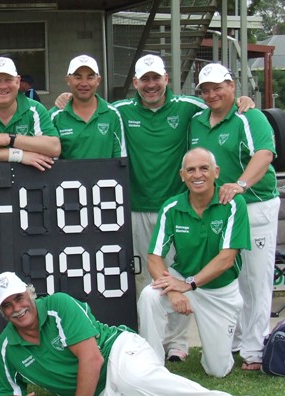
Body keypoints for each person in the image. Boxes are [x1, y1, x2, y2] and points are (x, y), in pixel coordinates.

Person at [54, 54, 254, 362]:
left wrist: (241, 100)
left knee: (178, 272)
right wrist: (64, 100)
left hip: (175, 207)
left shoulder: (190, 106)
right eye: (144, 80)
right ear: (135, 83)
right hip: (133, 207)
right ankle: (149, 342)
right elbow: (88, 104)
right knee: (142, 279)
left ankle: (177, 343)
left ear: (166, 80)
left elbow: (219, 105)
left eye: (155, 78)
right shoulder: (119, 111)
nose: (150, 85)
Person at [0, 271, 266, 396]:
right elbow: (9, 393)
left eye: (19, 298)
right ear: (0, 312)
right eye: (7, 305)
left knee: (136, 381)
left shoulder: (58, 305)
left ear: (30, 294)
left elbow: (92, 358)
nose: (17, 308)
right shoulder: (7, 345)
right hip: (100, 394)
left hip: (118, 351)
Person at [189, 63, 279, 371]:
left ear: (232, 86)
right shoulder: (197, 121)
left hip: (254, 204)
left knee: (256, 279)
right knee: (232, 276)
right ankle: (238, 341)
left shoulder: (249, 116)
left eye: (218, 87)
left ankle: (255, 349)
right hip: (220, 209)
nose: (212, 94)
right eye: (206, 89)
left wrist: (240, 185)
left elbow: (264, 155)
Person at [138, 148, 250, 377]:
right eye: (191, 170)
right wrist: (172, 291)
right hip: (183, 281)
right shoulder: (171, 207)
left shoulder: (233, 204)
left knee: (217, 370)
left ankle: (214, 349)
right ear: (182, 175)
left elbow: (227, 259)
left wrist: (188, 285)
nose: (197, 175)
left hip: (219, 291)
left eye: (204, 168)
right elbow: (154, 258)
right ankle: (151, 366)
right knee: (150, 295)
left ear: (216, 172)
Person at [50, 55, 125, 159]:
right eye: (78, 77)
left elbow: (120, 159)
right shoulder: (55, 116)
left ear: (98, 80)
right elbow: (51, 162)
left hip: (106, 176)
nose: (84, 83)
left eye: (90, 77)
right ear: (68, 80)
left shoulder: (112, 114)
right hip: (68, 176)